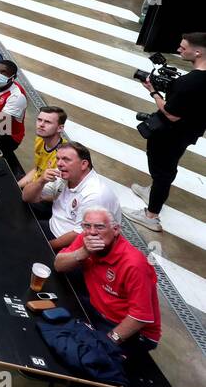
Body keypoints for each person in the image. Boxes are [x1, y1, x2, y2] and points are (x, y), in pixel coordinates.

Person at [54, 208, 160, 367]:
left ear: (116, 230)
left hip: (134, 330)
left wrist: (108, 341)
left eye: (99, 227)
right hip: (99, 309)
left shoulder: (134, 264)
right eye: (87, 226)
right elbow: (59, 265)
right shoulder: (86, 239)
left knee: (90, 358)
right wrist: (83, 252)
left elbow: (140, 317)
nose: (92, 232)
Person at [128, 31, 206, 232]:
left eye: (183, 47)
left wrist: (152, 91)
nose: (179, 49)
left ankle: (151, 215)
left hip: (170, 134)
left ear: (197, 52)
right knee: (166, 167)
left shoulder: (189, 83)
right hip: (190, 132)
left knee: (162, 171)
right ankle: (153, 191)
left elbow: (171, 114)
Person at [28, 142, 123, 251]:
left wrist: (46, 246)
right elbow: (27, 197)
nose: (59, 163)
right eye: (58, 159)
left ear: (83, 164)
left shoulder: (94, 195)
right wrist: (41, 181)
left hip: (72, 244)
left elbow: (79, 234)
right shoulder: (63, 174)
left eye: (66, 159)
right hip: (53, 225)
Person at [19, 106, 69, 205]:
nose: (41, 124)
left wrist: (28, 192)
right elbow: (37, 169)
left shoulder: (64, 157)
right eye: (39, 120)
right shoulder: (40, 139)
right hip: (34, 186)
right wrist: (16, 186)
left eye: (47, 122)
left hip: (45, 199)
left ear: (60, 128)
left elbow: (58, 196)